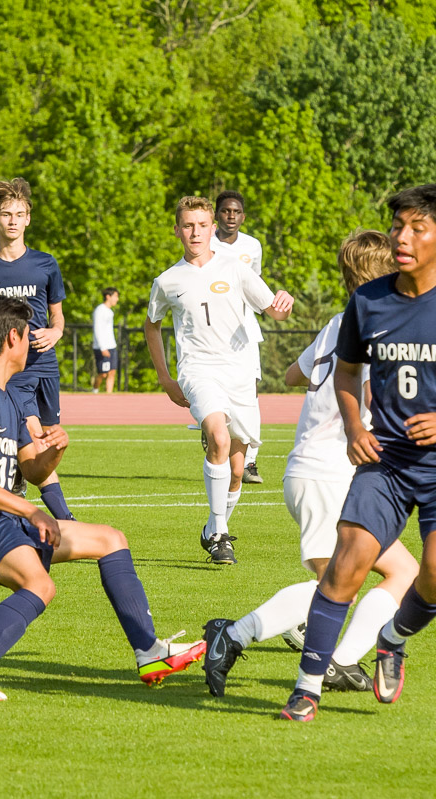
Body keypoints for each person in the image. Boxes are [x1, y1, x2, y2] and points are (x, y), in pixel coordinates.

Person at [277, 184, 436, 722]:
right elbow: (345, 370)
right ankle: (307, 685)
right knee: (347, 563)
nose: (403, 238)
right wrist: (355, 425)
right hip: (386, 461)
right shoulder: (367, 300)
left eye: (418, 229)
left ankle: (393, 636)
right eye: (398, 227)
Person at [0, 293, 206, 701]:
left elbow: (31, 469)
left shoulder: (5, 394)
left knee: (110, 539)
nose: (31, 343)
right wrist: (31, 510)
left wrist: (54, 450)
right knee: (39, 585)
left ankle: (149, 653)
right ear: (12, 338)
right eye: (28, 335)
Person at [201, 230, 419, 698]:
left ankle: (339, 660)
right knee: (337, 591)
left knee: (403, 571)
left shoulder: (340, 321)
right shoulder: (375, 327)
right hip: (327, 474)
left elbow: (293, 373)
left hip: (318, 471)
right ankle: (236, 635)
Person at [145, 195, 294, 566]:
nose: (195, 232)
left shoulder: (236, 268)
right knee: (219, 436)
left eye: (201, 225)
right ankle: (221, 535)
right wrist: (165, 378)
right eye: (188, 225)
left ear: (213, 228)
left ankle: (214, 527)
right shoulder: (166, 281)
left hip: (240, 372)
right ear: (177, 229)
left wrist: (283, 302)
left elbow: (273, 312)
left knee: (238, 469)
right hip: (198, 370)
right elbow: (152, 325)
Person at [0, 178, 74, 522]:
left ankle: (19, 476)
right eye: (6, 214)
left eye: (19, 214)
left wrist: (56, 332)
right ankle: (65, 523)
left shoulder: (45, 264)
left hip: (46, 366)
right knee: (37, 438)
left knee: (49, 439)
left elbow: (58, 316)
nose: (12, 220)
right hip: (13, 370)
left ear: (28, 220)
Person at [214, 190, 266, 484]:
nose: (230, 216)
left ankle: (250, 461)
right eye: (225, 211)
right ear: (217, 215)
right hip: (213, 332)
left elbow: (255, 286)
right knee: (218, 391)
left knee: (251, 392)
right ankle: (216, 439)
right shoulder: (204, 243)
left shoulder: (253, 246)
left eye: (235, 212)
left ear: (242, 217)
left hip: (245, 331)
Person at [92, 287, 119, 393]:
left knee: (112, 372)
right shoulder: (100, 310)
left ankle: (109, 396)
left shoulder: (110, 312)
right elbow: (97, 329)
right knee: (103, 373)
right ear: (108, 296)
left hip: (112, 346)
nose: (117, 299)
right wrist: (103, 347)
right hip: (101, 347)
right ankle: (94, 391)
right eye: (116, 296)